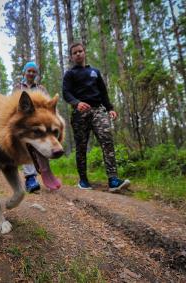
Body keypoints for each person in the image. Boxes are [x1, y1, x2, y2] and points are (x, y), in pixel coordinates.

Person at [62, 42, 130, 192]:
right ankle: (83, 181)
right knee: (81, 146)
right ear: (72, 57)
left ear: (84, 52)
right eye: (75, 53)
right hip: (80, 113)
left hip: (98, 110)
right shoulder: (70, 74)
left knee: (106, 138)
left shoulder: (95, 72)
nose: (78, 54)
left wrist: (110, 108)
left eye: (80, 51)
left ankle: (113, 180)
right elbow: (66, 93)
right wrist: (76, 103)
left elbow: (103, 92)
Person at [13, 61, 49, 193]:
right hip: (25, 123)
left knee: (42, 149)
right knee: (27, 148)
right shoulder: (18, 87)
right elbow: (13, 104)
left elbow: (47, 103)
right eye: (29, 71)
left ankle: (46, 176)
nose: (31, 73)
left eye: (34, 71)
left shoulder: (41, 88)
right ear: (24, 72)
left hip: (39, 123)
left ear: (36, 74)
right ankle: (30, 179)